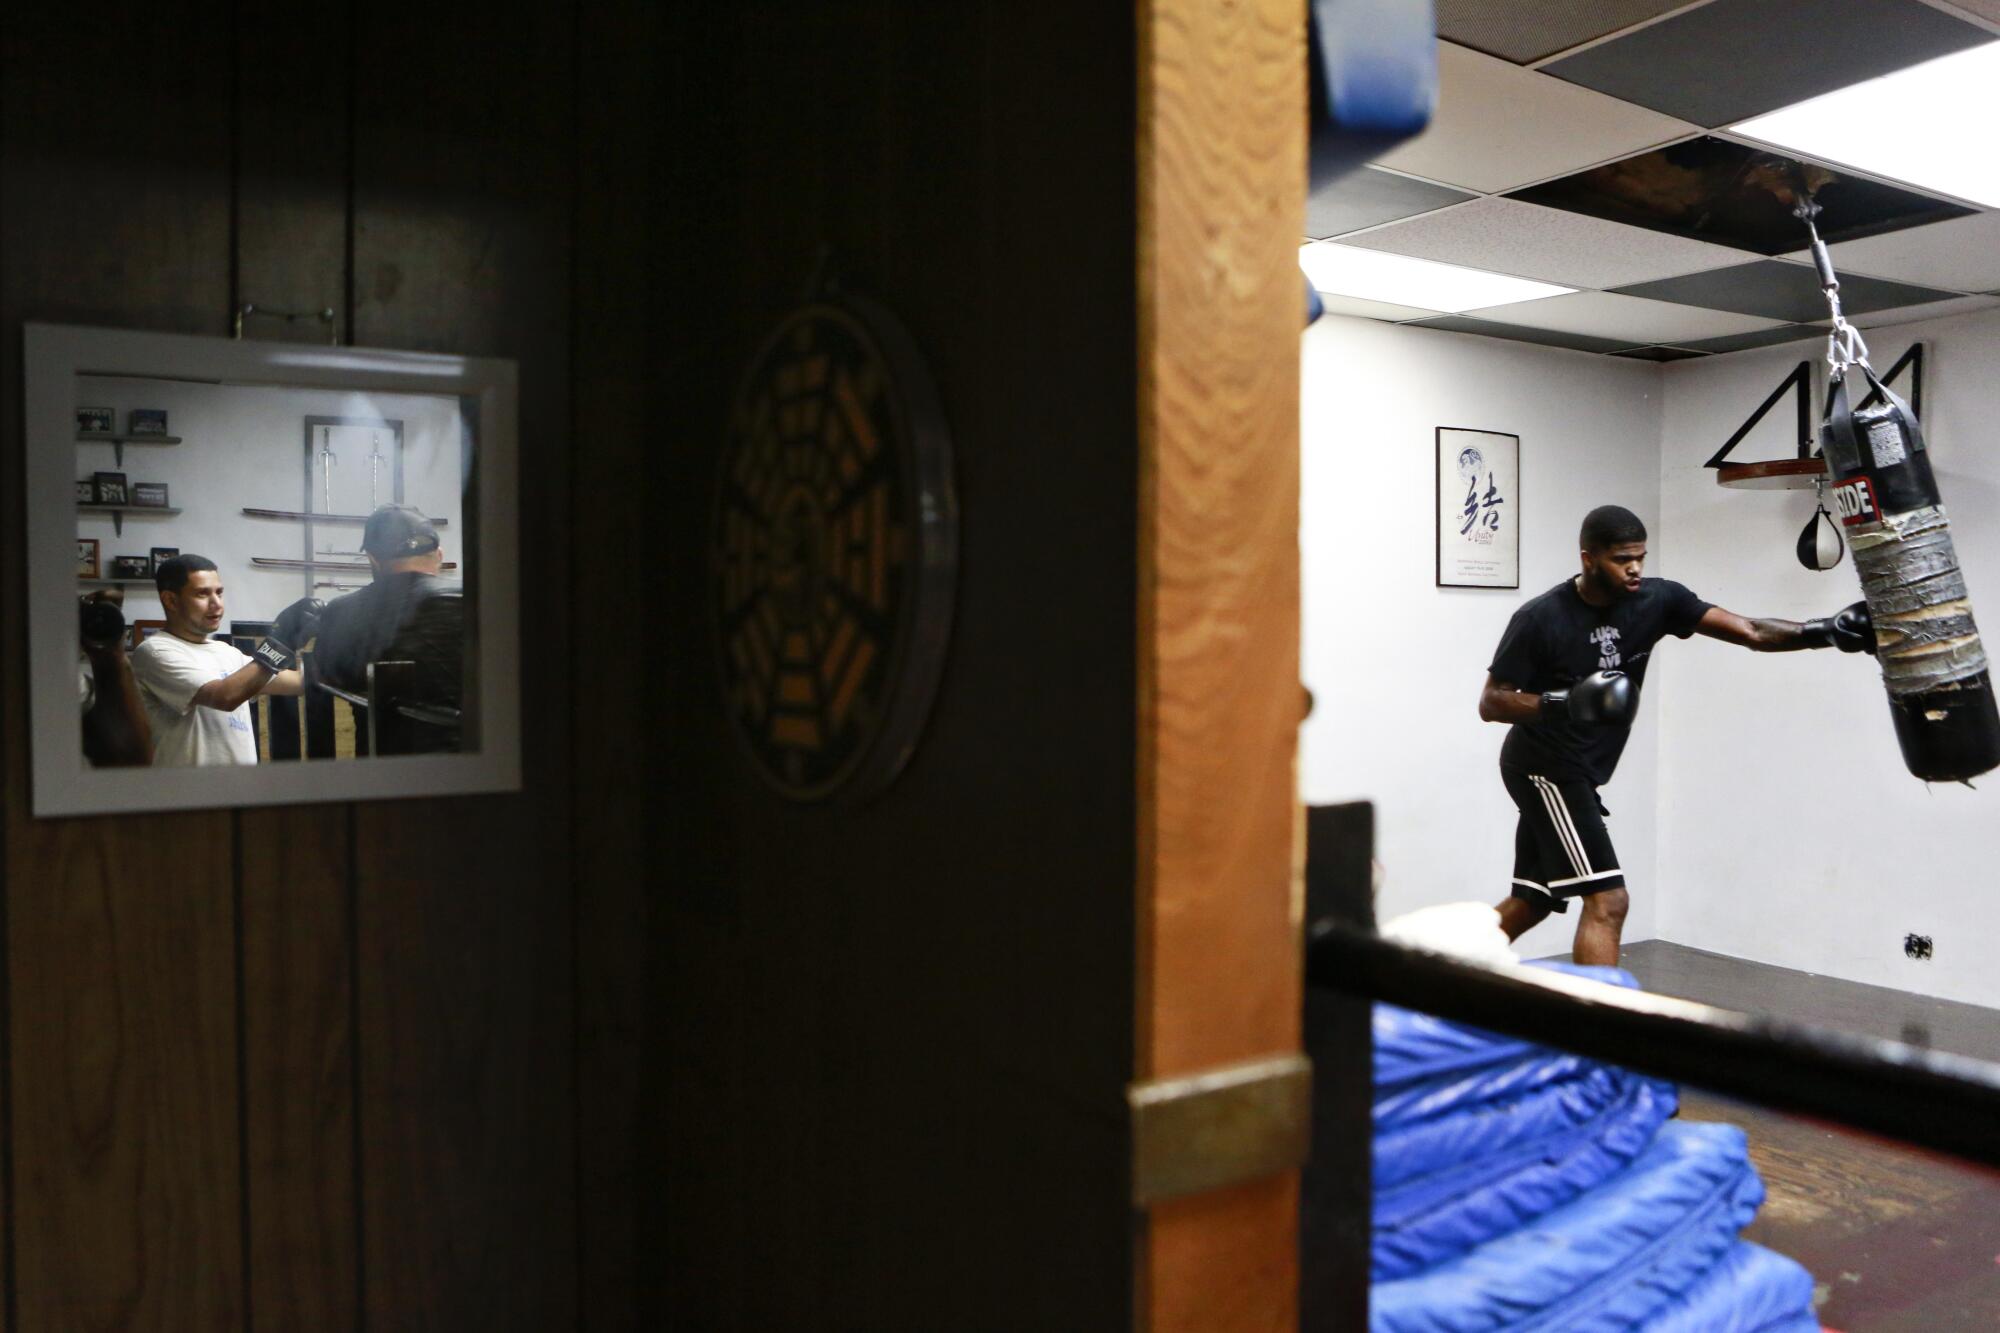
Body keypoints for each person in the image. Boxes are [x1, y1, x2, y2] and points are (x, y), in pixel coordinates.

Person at [1480, 505, 1872, 966]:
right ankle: (1598, 1026)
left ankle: (1437, 977)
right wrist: (1564, 702)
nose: (1634, 568)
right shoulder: (1541, 617)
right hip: (1544, 768)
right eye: (1621, 558)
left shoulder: (1657, 600)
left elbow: (1749, 630)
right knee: (1609, 901)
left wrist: (1824, 632)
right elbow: (1492, 702)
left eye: (1640, 557)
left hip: (1581, 771)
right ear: (1588, 558)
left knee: (1534, 899)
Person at [129, 555, 313, 766]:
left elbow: (299, 683)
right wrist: (281, 641)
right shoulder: (155, 652)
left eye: (219, 592)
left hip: (241, 792)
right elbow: (224, 697)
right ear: (171, 600)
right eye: (202, 594)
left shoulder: (227, 653)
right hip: (192, 795)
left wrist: (340, 650)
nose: (216, 603)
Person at [312, 505, 465, 751]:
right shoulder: (478, 601)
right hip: (474, 773)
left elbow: (325, 679)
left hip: (382, 777)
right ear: (439, 555)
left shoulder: (341, 612)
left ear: (373, 559)